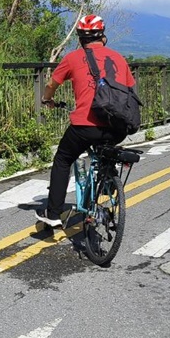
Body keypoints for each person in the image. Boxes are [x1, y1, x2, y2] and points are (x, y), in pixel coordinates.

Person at [36, 14, 136, 227]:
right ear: (103, 36)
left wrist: (47, 99)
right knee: (106, 155)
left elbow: (52, 85)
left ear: (80, 38)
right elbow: (129, 89)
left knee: (63, 159)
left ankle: (53, 214)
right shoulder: (118, 58)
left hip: (85, 126)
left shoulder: (72, 58)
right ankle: (108, 185)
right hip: (117, 127)